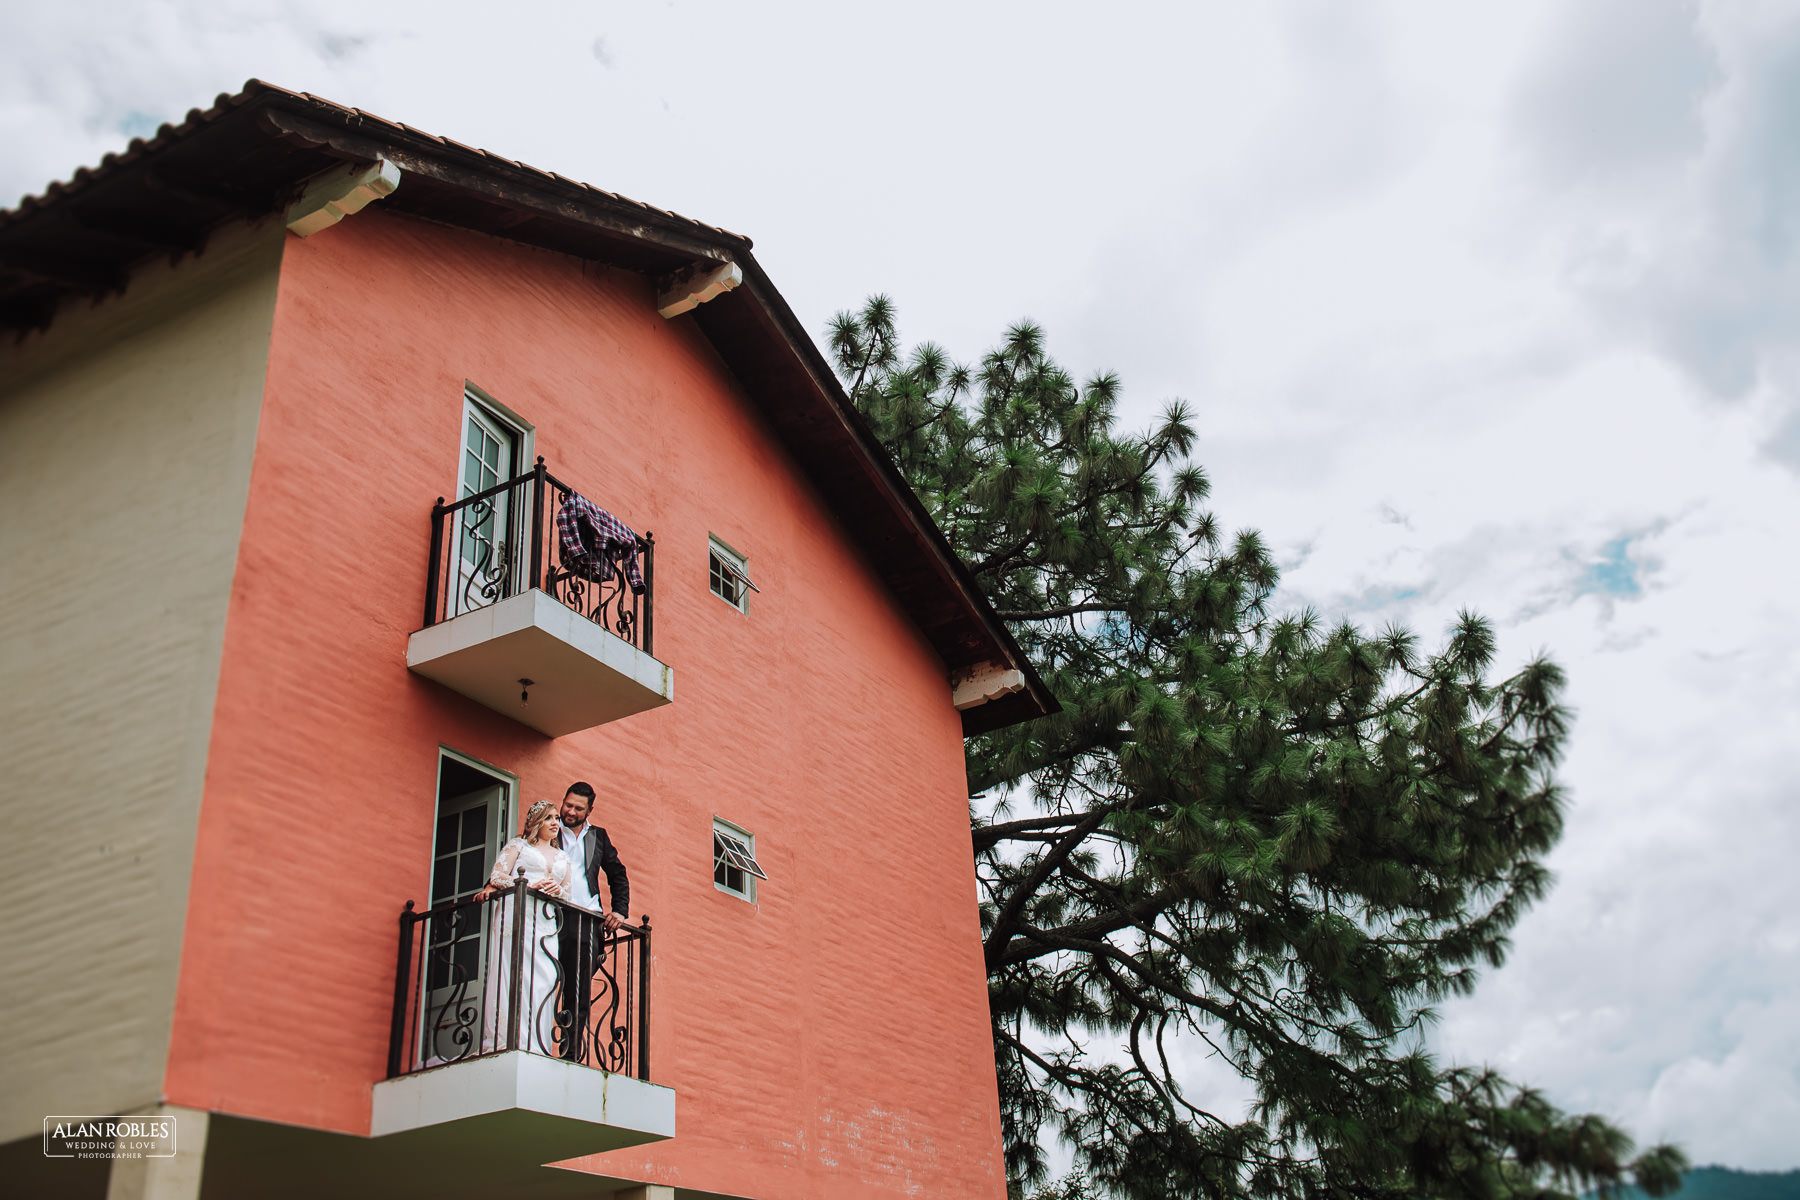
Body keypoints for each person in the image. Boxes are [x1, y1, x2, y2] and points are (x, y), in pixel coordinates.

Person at [474, 799, 572, 1056]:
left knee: (546, 975)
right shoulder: (518, 845)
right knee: (513, 969)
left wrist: (557, 889)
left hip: (546, 920)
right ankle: (508, 1038)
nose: (555, 823)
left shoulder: (563, 856)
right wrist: (526, 885)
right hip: (517, 911)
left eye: (556, 818)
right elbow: (497, 876)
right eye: (549, 818)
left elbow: (568, 894)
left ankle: (537, 1043)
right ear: (536, 822)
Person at [554, 781, 630, 1063]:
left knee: (579, 987)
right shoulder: (550, 828)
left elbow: (617, 874)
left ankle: (570, 1051)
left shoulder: (598, 836)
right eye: (568, 805)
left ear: (589, 810)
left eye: (578, 808)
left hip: (587, 919)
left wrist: (619, 911)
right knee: (546, 979)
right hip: (553, 915)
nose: (570, 811)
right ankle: (536, 1041)